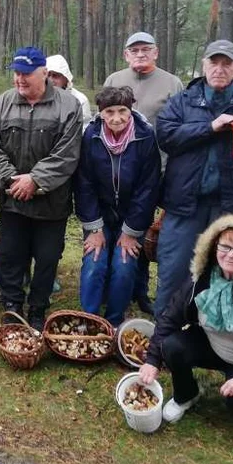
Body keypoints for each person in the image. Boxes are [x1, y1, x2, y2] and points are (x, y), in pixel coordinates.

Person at [138, 215, 233, 431]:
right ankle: (187, 394)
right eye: (224, 246)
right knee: (171, 346)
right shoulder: (202, 278)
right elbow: (169, 318)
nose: (230, 254)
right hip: (211, 345)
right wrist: (152, 360)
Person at [153, 39, 233, 316]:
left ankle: (215, 333)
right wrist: (210, 127)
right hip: (184, 204)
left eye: (226, 63)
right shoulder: (183, 101)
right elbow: (166, 136)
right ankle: (164, 334)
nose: (219, 69)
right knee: (173, 269)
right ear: (204, 65)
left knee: (225, 273)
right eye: (213, 62)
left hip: (231, 206)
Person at [0, 46, 82, 331]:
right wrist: (13, 180)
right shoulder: (3, 103)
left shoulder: (68, 105)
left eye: (26, 74)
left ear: (44, 73)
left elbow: (67, 154)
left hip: (52, 203)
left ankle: (38, 308)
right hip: (13, 199)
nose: (20, 79)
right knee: (9, 256)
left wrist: (35, 180)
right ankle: (12, 306)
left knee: (47, 259)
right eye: (16, 73)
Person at [104, 31, 183, 316]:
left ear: (156, 52)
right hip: (114, 171)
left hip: (155, 171)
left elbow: (179, 129)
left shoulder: (172, 83)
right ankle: (109, 285)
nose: (140, 54)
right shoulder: (114, 80)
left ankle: (139, 289)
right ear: (126, 54)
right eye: (134, 50)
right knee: (111, 228)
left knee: (141, 230)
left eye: (145, 49)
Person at [74, 87, 161, 327]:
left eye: (122, 111)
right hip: (99, 215)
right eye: (109, 112)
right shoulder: (91, 135)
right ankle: (89, 320)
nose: (116, 118)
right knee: (94, 262)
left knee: (124, 264)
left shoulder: (145, 136)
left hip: (132, 216)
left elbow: (148, 188)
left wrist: (131, 232)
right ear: (101, 113)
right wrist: (94, 228)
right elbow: (84, 183)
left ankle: (113, 322)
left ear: (131, 110)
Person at [46, 54, 92, 131]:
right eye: (47, 75)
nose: (50, 80)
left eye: (55, 76)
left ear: (66, 78)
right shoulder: (36, 100)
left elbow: (84, 129)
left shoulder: (79, 100)